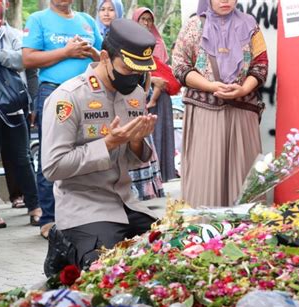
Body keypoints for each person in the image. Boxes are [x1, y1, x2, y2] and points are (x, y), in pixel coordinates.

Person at [42, 19, 159, 277]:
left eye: (140, 72)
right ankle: (63, 245)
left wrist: (137, 141)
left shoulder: (136, 94)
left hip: (127, 202)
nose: (135, 78)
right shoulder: (68, 98)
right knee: (108, 272)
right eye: (128, 69)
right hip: (85, 206)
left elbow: (135, 159)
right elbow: (52, 167)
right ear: (105, 57)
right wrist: (108, 143)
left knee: (172, 249)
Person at [172, 0, 268, 207]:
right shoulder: (193, 26)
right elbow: (179, 67)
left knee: (243, 181)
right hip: (205, 115)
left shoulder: (250, 25)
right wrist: (209, 85)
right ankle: (205, 234)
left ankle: (245, 235)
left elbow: (260, 66)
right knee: (206, 180)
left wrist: (242, 89)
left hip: (242, 113)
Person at [22, 0, 103, 238]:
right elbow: (27, 59)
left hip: (89, 92)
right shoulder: (38, 19)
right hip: (53, 91)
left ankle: (87, 215)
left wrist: (91, 51)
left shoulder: (87, 22)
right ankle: (49, 219)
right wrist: (66, 52)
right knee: (53, 153)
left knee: (88, 151)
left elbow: (102, 58)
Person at [0, 0, 42, 227]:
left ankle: (35, 206)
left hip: (13, 107)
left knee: (22, 157)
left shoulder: (13, 35)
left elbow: (23, 61)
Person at [133, 7, 179, 182]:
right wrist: (152, 80)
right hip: (139, 93)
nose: (146, 23)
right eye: (142, 19)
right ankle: (148, 178)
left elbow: (163, 70)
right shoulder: (129, 42)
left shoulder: (157, 43)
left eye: (149, 20)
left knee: (161, 133)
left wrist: (156, 81)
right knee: (144, 136)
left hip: (161, 98)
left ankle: (162, 175)